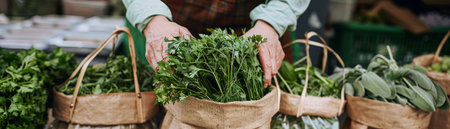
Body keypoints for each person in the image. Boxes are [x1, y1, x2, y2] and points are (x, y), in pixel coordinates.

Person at [123, 0, 310, 87]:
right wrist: (153, 18)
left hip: (258, 26)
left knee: (268, 98)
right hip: (168, 24)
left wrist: (271, 23)